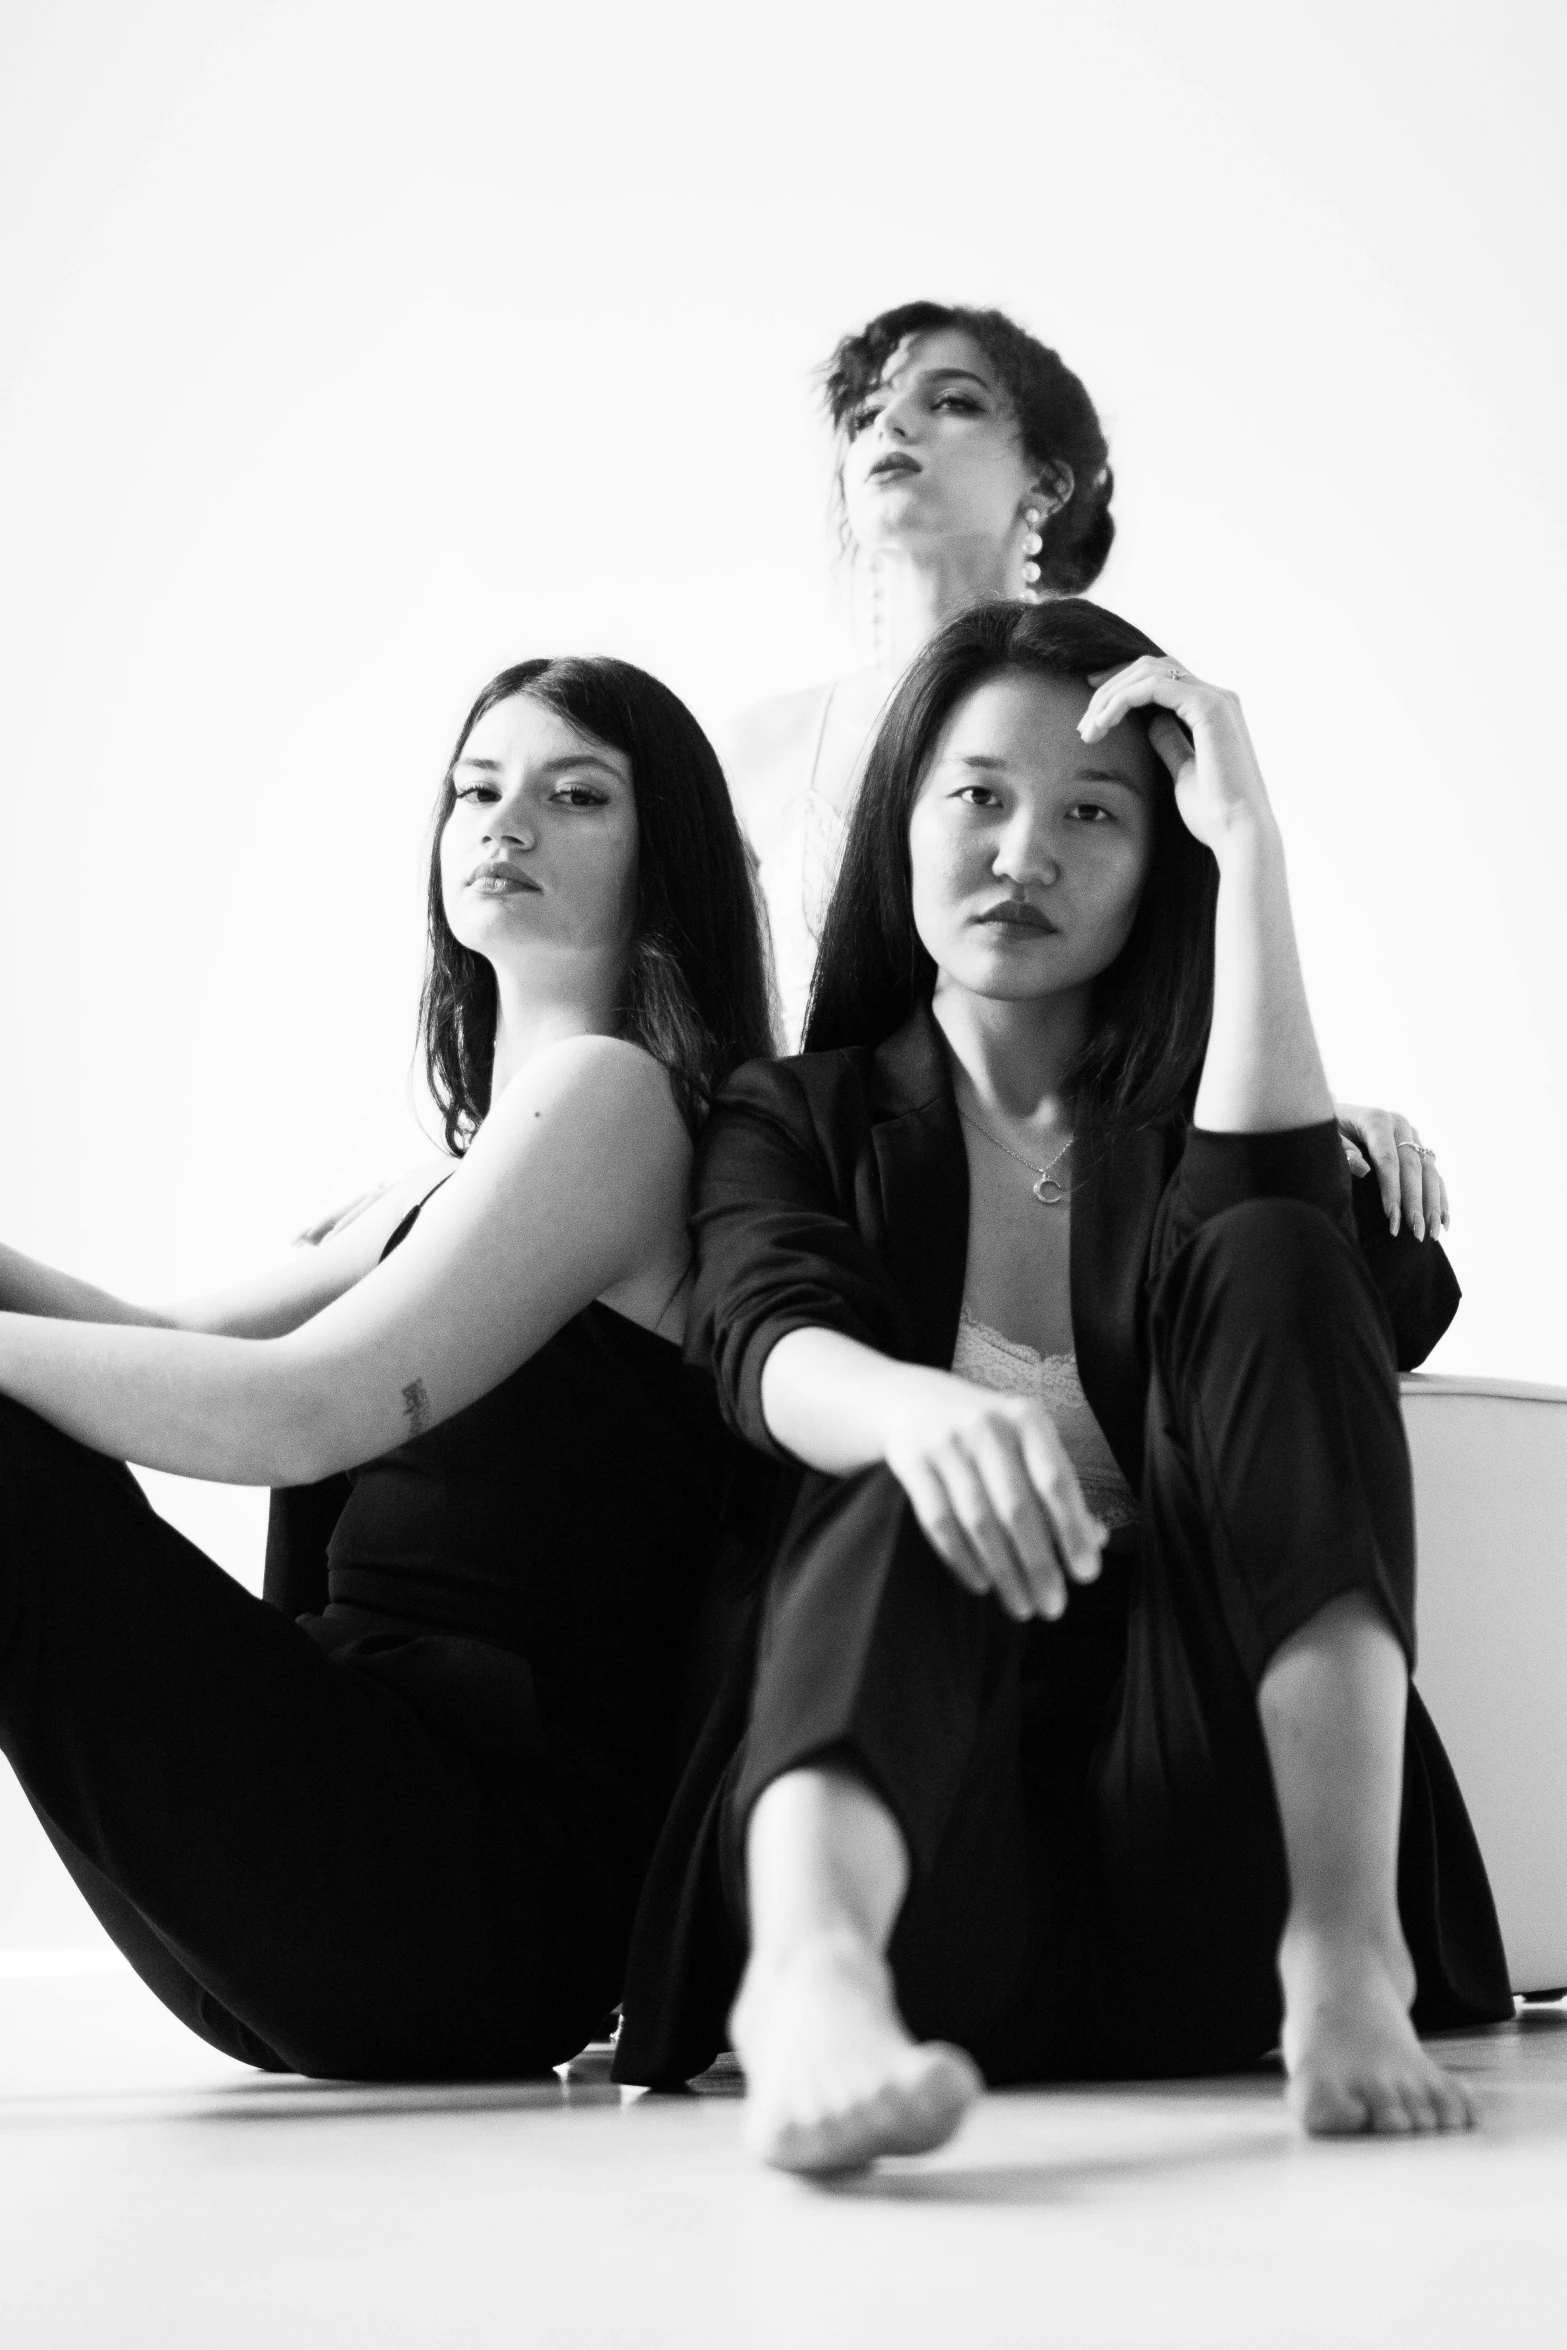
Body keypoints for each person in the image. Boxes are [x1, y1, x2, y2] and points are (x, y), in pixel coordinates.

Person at [612, 598, 1511, 2168]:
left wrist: (1253, 843)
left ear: (1162, 863)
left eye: (1091, 811)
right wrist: (921, 1410)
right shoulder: (796, 1113)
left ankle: (1346, 1951)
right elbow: (763, 1334)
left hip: (1205, 1872)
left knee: (1281, 1248)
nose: (1023, 849)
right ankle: (805, 1985)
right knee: (898, 1460)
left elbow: (1314, 1275)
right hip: (918, 1864)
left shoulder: (1206, 1132)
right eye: (977, 795)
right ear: (900, 820)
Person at [0, 654, 771, 2080]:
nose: (506, 821)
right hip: (343, 1902)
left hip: (457, 1893)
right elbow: (156, 1342)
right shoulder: (460, 1177)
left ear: (663, 857)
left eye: (573, 793)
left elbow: (297, 1411)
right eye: (476, 789)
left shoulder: (619, 1105)